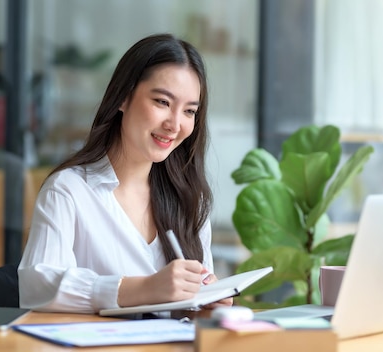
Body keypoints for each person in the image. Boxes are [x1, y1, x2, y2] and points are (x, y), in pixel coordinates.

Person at [18, 33, 233, 313]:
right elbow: (38, 286)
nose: (175, 124)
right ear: (123, 97)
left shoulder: (190, 200)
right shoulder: (68, 190)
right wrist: (145, 289)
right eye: (162, 103)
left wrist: (207, 305)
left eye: (189, 111)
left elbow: (189, 315)